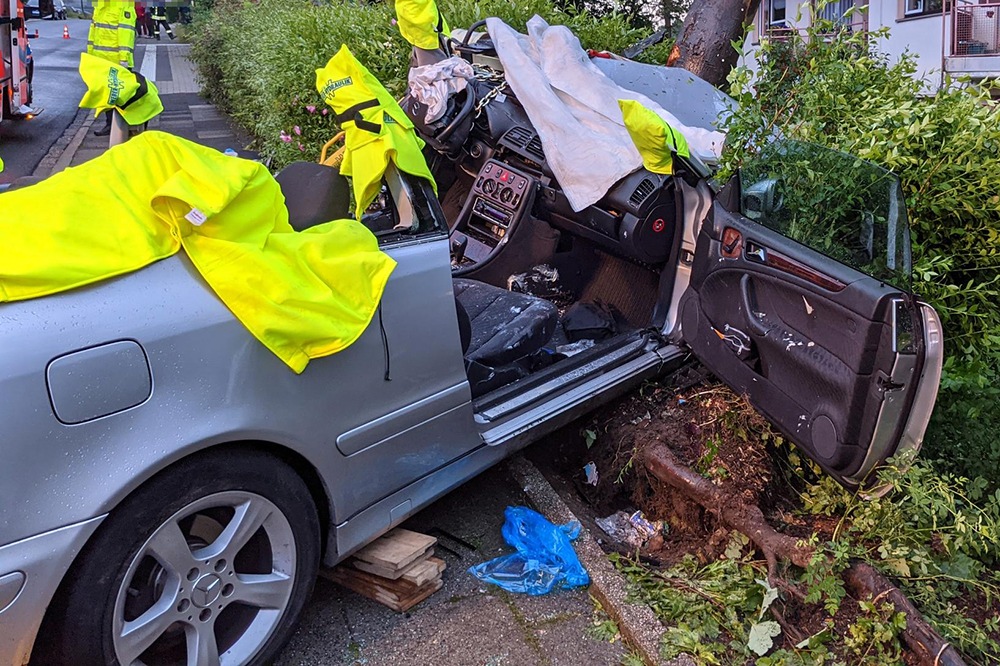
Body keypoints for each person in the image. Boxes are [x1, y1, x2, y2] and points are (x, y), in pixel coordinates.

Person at [87, 0, 137, 136]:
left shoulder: (123, 6)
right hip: (102, 61)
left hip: (118, 61)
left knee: (121, 96)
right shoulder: (100, 6)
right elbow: (93, 33)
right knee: (108, 96)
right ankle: (110, 125)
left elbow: (126, 34)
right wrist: (90, 56)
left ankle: (127, 127)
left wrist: (124, 59)